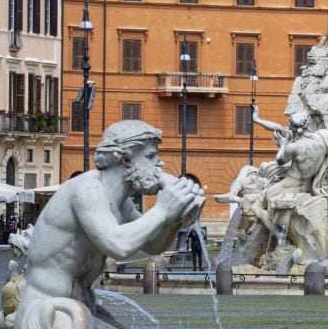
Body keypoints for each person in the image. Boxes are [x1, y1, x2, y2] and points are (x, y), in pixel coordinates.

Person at [22, 120, 204, 318]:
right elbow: (118, 245)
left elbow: (153, 245)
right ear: (125, 159)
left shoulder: (122, 203)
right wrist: (162, 210)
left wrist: (176, 218)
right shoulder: (88, 189)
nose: (160, 163)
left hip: (81, 307)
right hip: (46, 312)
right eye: (150, 156)